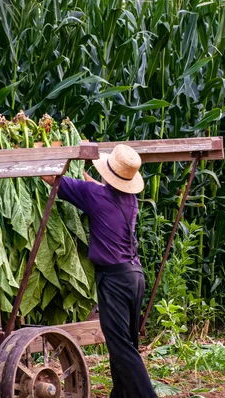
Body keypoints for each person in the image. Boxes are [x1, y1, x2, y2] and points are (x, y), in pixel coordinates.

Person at [41, 144, 157, 398]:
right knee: (126, 343)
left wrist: (34, 159)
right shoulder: (130, 199)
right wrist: (85, 176)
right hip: (134, 277)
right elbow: (100, 190)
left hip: (114, 278)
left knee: (120, 347)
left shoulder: (95, 195)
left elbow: (52, 179)